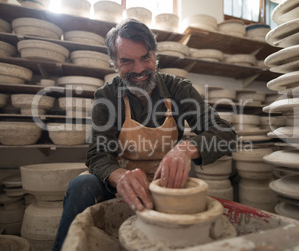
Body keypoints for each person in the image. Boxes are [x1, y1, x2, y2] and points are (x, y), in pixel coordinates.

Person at [52, 18, 237, 251]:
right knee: (82, 184)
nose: (139, 69)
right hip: (121, 184)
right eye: (127, 61)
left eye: (145, 58)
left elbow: (226, 134)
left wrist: (185, 148)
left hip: (166, 183)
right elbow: (98, 154)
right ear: (114, 64)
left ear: (155, 56)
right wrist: (118, 175)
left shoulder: (178, 90)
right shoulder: (107, 97)